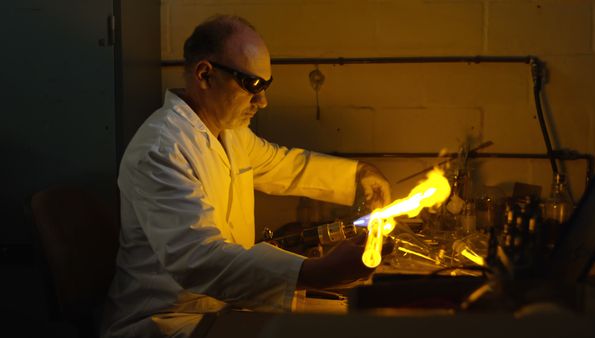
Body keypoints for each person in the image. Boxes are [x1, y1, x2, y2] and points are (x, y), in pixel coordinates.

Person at [100, 14, 391, 338]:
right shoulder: (160, 150)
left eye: (265, 86)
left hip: (220, 308)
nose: (262, 101)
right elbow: (199, 259)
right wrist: (315, 272)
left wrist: (359, 176)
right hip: (167, 322)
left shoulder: (231, 132)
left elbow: (283, 165)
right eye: (252, 85)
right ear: (205, 74)